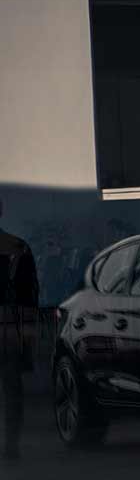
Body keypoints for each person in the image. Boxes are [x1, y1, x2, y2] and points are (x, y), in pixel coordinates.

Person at [0, 197, 36, 462]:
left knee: (12, 390)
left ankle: (10, 446)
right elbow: (29, 295)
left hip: (10, 325)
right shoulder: (18, 247)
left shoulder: (18, 248)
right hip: (10, 326)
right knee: (12, 390)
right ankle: (10, 446)